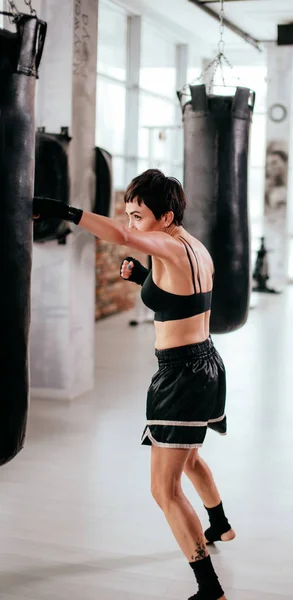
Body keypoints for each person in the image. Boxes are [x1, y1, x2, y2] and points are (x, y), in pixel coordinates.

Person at [33, 168, 235, 600]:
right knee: (190, 458)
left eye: (138, 215)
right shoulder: (194, 247)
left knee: (163, 490)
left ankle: (209, 586)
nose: (130, 224)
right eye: (127, 214)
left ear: (165, 217)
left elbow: (119, 238)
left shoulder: (161, 242)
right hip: (207, 364)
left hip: (180, 375)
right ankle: (220, 523)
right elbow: (184, 300)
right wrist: (142, 280)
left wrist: (61, 210)